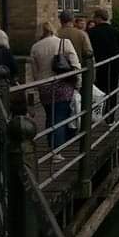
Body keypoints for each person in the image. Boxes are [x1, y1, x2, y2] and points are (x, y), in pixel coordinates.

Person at [30, 21, 80, 159]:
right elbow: (76, 65)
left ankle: (52, 143)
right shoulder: (64, 43)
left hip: (44, 87)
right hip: (62, 85)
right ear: (52, 29)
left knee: (50, 116)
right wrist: (78, 84)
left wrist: (37, 87)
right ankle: (56, 150)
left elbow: (35, 72)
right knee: (60, 117)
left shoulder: (35, 47)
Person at [88, 7, 119, 122]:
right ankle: (110, 118)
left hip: (98, 66)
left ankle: (97, 116)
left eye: (95, 17)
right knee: (112, 91)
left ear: (98, 18)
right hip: (113, 66)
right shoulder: (115, 31)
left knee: (98, 92)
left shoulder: (92, 32)